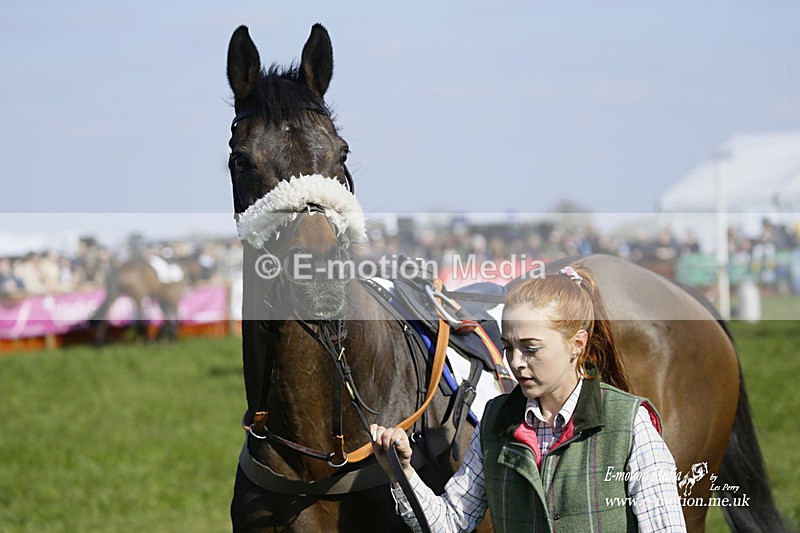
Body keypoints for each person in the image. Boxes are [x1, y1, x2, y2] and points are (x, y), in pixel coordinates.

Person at [372, 264, 687, 532]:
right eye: (508, 347)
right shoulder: (494, 421)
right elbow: (452, 524)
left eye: (531, 348)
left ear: (578, 343)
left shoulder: (631, 424)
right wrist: (401, 472)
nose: (516, 362)